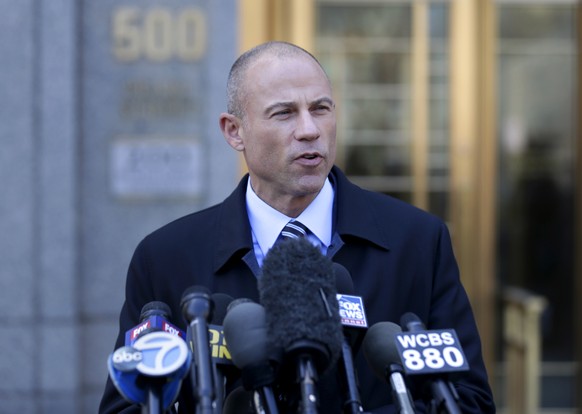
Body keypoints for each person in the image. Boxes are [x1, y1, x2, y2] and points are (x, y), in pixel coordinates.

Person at [99, 41, 495, 413]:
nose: (310, 129)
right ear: (235, 131)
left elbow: (470, 399)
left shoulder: (418, 241)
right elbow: (128, 404)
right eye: (284, 112)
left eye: (321, 108)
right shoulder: (166, 257)